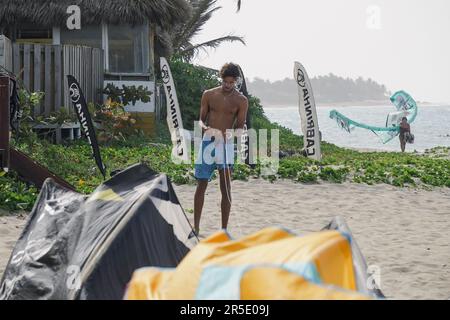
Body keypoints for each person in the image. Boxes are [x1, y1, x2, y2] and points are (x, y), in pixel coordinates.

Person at [194, 63, 249, 237]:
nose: (228, 86)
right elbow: (200, 120)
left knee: (225, 188)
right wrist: (206, 129)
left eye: (231, 83)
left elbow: (240, 127)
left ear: (236, 81)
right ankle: (196, 227)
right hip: (208, 142)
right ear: (222, 79)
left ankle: (223, 231)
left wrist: (230, 135)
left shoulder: (241, 100)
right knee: (201, 184)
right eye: (225, 82)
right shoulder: (209, 94)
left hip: (226, 145)